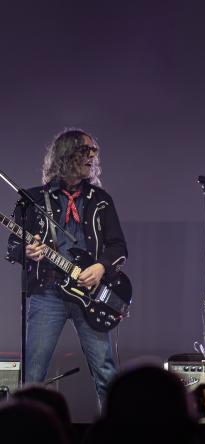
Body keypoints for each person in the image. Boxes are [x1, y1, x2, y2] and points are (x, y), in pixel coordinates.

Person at [6, 129, 127, 409]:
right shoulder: (32, 200)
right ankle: (27, 437)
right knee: (33, 374)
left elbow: (119, 247)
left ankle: (113, 439)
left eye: (95, 152)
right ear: (67, 154)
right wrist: (27, 251)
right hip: (47, 293)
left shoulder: (101, 199)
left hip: (90, 294)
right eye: (87, 151)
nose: (93, 158)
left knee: (106, 373)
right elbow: (12, 247)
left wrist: (100, 267)